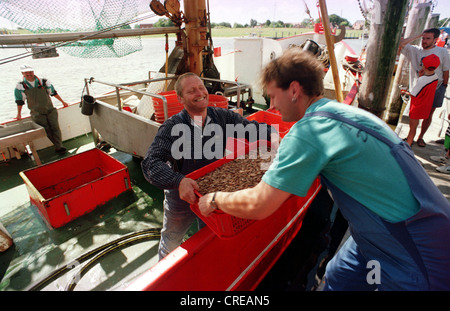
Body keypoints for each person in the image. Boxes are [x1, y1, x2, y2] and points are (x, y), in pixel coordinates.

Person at [198, 48, 450, 291]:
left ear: (294, 90)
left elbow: (259, 204)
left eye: (273, 96)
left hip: (414, 246)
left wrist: (215, 199)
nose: (271, 106)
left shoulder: (309, 131)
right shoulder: (342, 112)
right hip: (371, 236)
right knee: (338, 277)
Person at [141, 72, 279, 260]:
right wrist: (178, 181)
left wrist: (275, 135)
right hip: (180, 194)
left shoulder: (222, 117)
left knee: (209, 235)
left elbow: (251, 129)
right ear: (180, 98)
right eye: (191, 91)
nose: (199, 93)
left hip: (212, 191)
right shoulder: (172, 127)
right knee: (172, 237)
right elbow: (151, 162)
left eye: (201, 88)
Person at [399, 28, 450, 147]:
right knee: (415, 116)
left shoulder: (442, 52)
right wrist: (417, 36)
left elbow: (446, 69)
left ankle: (420, 137)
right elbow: (401, 43)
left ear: (435, 40)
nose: (424, 41)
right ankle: (410, 137)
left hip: (436, 88)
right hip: (418, 87)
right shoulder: (415, 50)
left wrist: (444, 86)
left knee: (428, 115)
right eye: (423, 38)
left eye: (428, 38)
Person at [14, 64, 69, 154]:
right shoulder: (20, 86)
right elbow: (19, 101)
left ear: (33, 72)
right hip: (36, 113)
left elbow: (53, 92)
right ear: (22, 73)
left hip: (50, 109)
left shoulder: (44, 81)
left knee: (55, 127)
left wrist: (63, 102)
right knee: (46, 129)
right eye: (26, 72)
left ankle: (59, 146)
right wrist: (18, 114)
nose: (29, 74)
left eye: (30, 71)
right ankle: (58, 146)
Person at [400, 54, 439, 146]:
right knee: (415, 125)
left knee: (412, 127)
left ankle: (408, 145)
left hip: (417, 106)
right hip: (426, 104)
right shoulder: (435, 76)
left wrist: (404, 92)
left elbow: (413, 94)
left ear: (424, 66)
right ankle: (410, 141)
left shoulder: (423, 80)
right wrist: (421, 76)